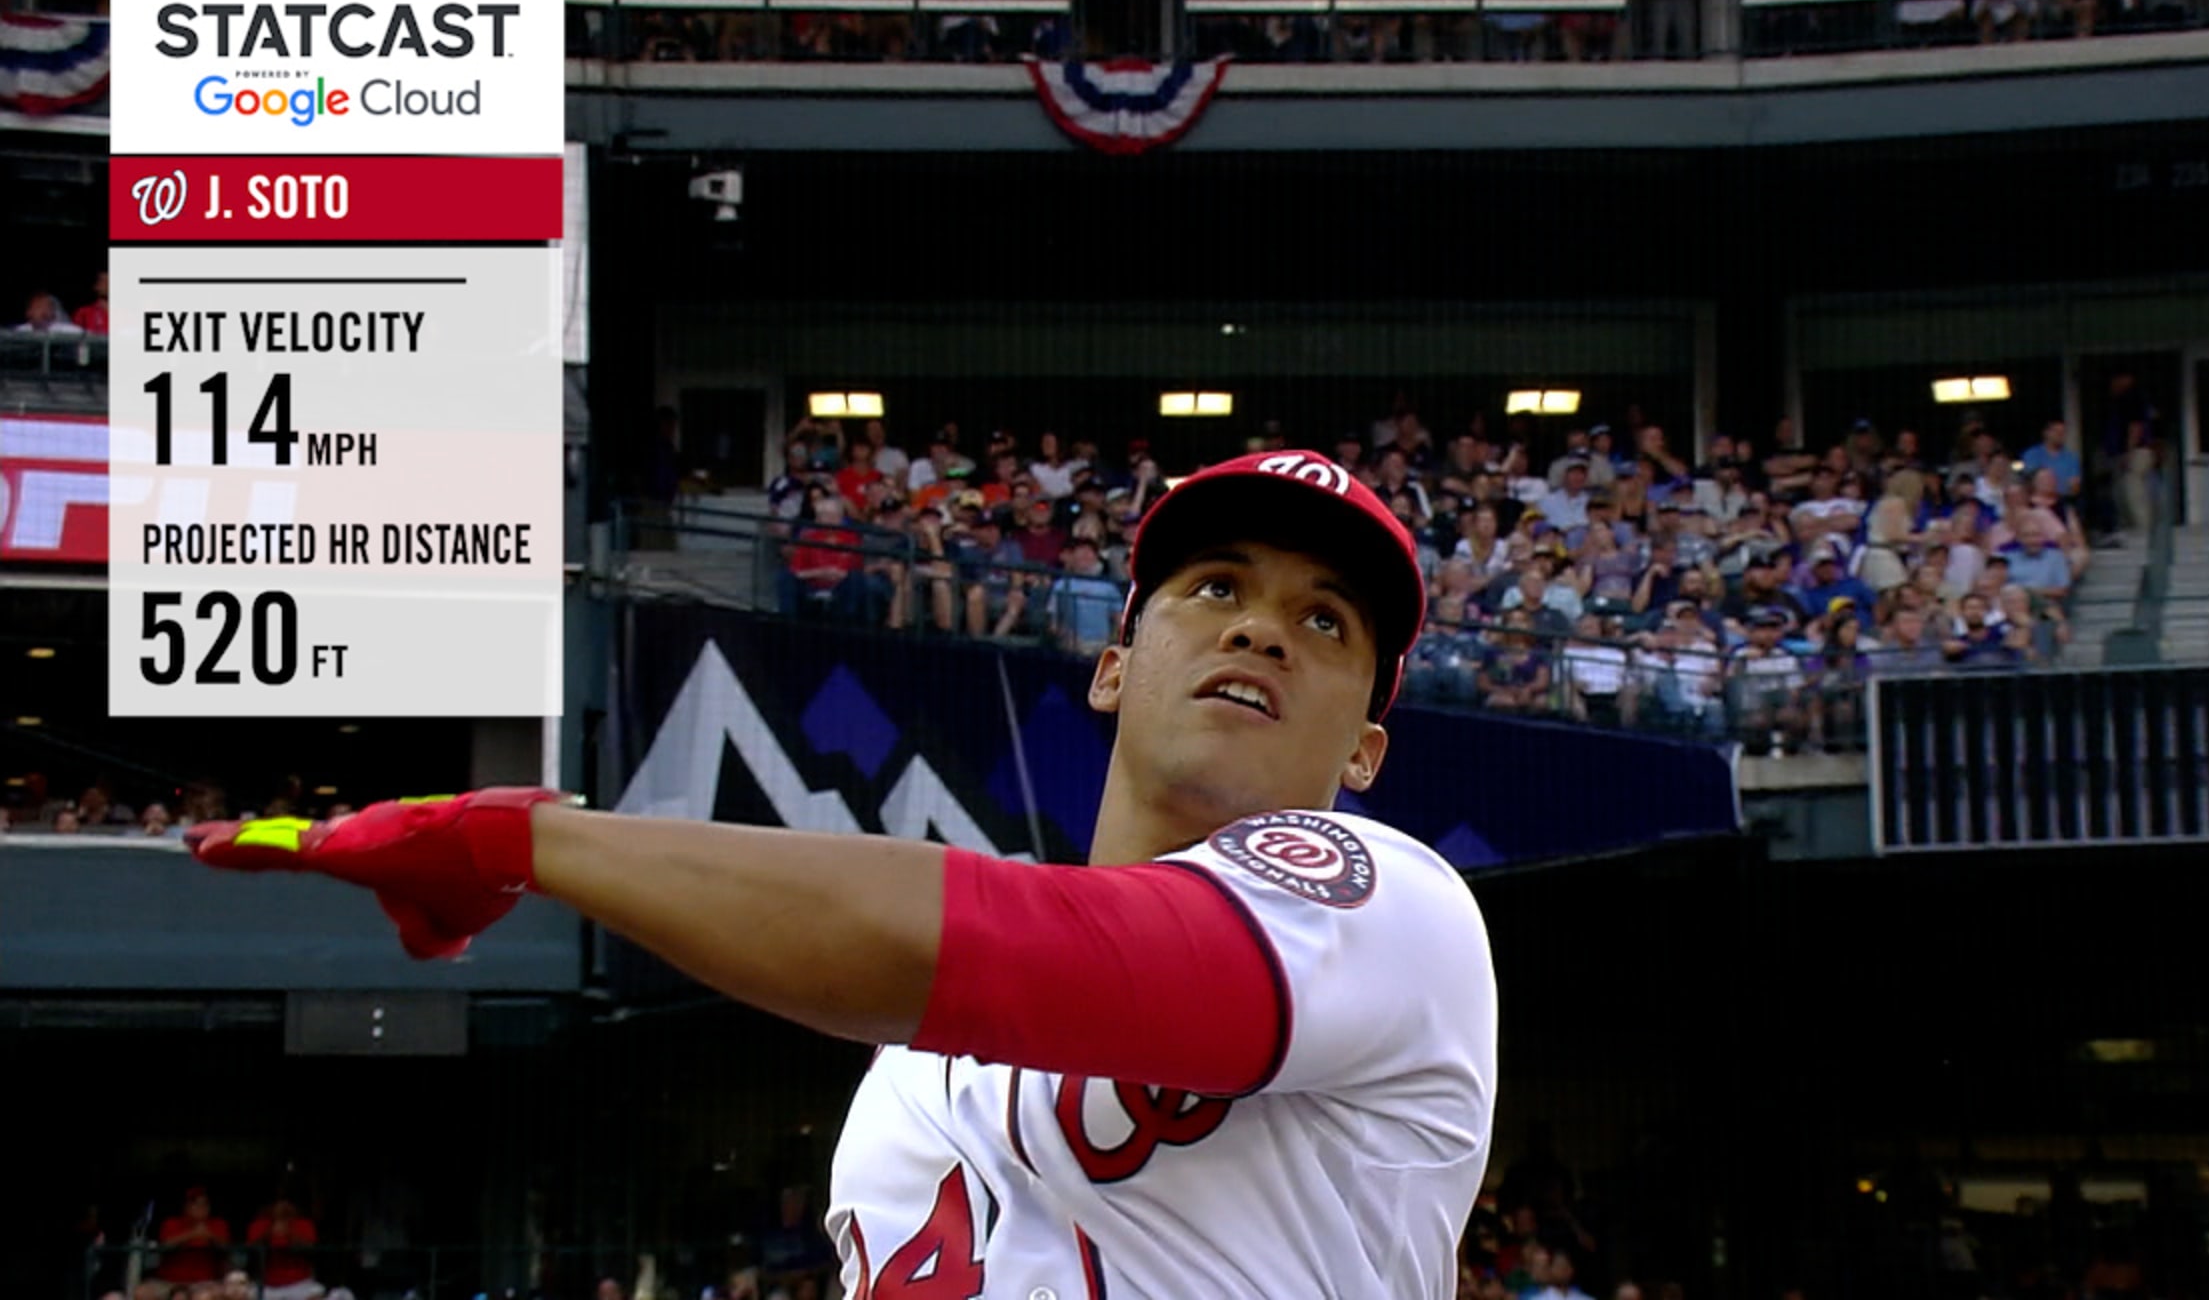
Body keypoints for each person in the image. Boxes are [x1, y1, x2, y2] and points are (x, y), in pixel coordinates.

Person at [183, 449, 1496, 1300]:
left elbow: (1031, 954)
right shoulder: (908, 1086)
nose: (1262, 626)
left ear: (1367, 747)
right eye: (1214, 586)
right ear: (1112, 664)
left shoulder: (1400, 913)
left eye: (1326, 621)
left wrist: (525, 840)